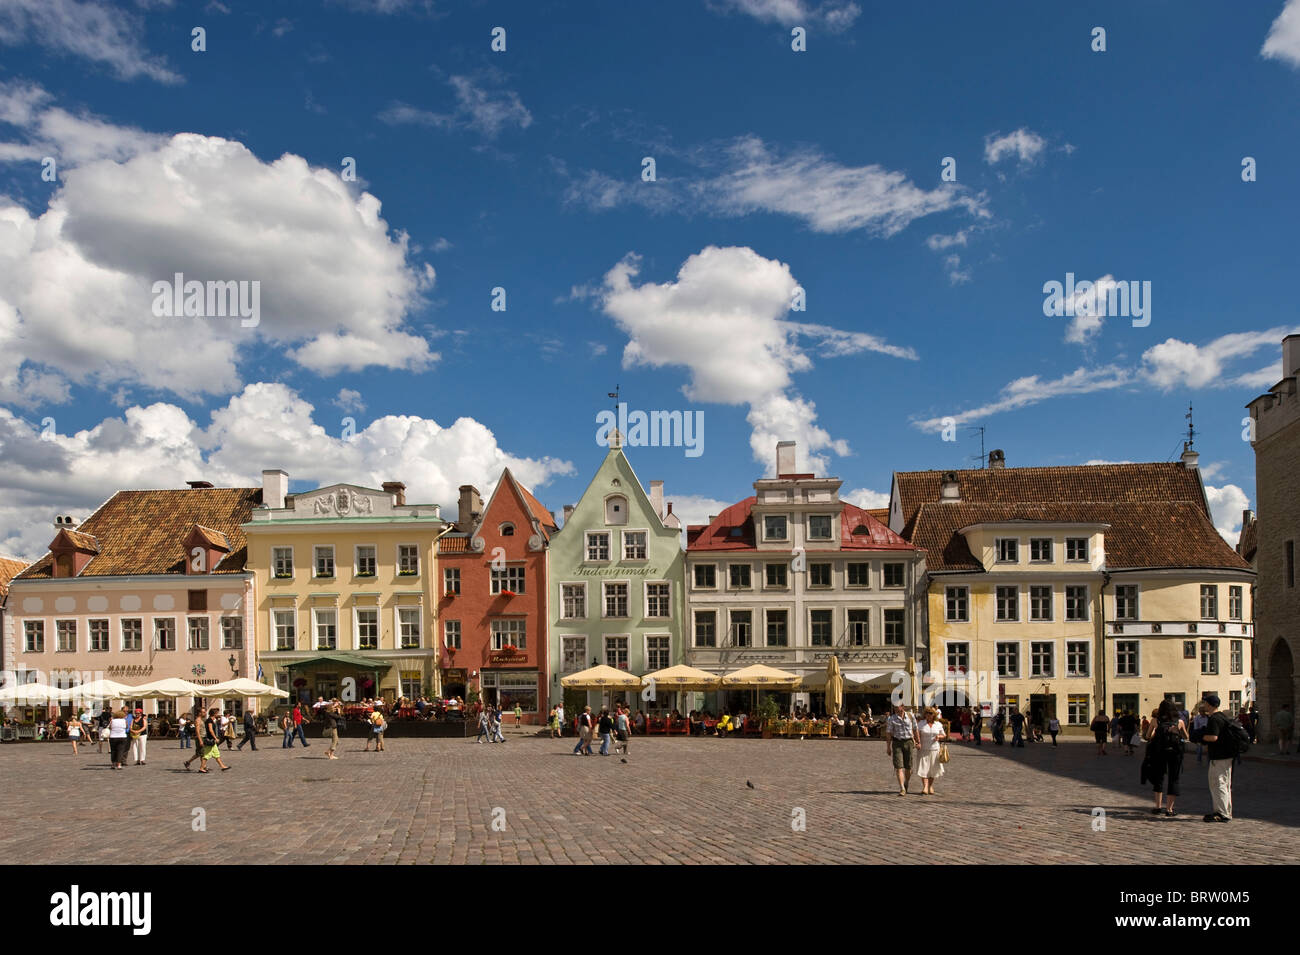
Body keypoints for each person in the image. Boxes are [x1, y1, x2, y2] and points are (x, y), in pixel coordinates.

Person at [1142, 698, 1188, 816]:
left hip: (1159, 752)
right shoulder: (1179, 722)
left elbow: (1147, 736)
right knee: (1174, 778)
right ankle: (1169, 809)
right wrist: (1176, 731)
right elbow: (1186, 736)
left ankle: (1157, 807)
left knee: (1159, 778)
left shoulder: (1155, 721)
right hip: (1175, 753)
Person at [1198, 695, 1235, 822]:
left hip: (1219, 756)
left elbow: (1213, 737)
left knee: (1218, 783)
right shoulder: (1222, 716)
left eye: (1206, 703)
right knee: (1224, 784)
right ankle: (1224, 811)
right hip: (1226, 755)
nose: (1204, 706)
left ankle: (1222, 813)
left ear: (1210, 705)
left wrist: (1202, 737)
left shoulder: (1214, 718)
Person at [885, 702, 921, 795]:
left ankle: (906, 782)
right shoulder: (891, 718)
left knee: (908, 767)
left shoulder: (910, 716)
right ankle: (902, 788)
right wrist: (888, 747)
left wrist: (918, 742)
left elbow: (915, 729)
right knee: (898, 767)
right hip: (897, 743)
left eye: (897, 707)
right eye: (894, 707)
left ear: (902, 706)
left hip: (909, 742)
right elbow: (888, 733)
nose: (895, 708)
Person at [914, 706, 948, 795]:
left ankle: (930, 786)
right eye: (927, 713)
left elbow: (944, 735)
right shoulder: (921, 723)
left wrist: (939, 737)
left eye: (930, 714)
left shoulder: (938, 724)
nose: (928, 715)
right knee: (924, 768)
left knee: (933, 769)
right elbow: (916, 735)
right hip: (923, 749)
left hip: (935, 749)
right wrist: (917, 743)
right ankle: (925, 787)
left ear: (934, 715)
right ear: (924, 714)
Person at [195, 708, 231, 773]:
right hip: (209, 739)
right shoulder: (209, 720)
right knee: (207, 754)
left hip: (211, 740)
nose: (218, 714)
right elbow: (210, 730)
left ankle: (222, 766)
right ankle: (201, 768)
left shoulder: (211, 720)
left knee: (216, 754)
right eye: (217, 713)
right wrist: (215, 738)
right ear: (214, 714)